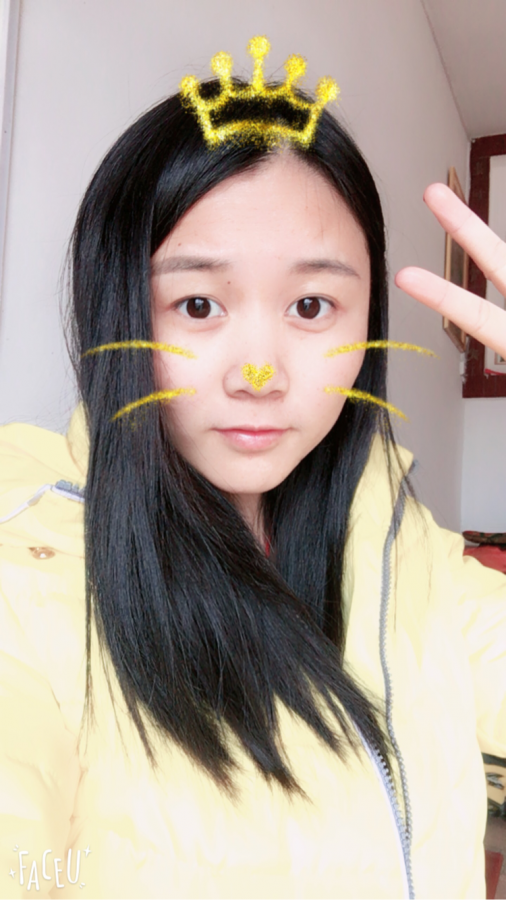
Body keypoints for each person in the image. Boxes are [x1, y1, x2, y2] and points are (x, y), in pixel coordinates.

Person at [1, 36, 505, 900]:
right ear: (120, 307)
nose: (259, 373)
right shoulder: (29, 562)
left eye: (312, 305)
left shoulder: (400, 543)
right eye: (198, 304)